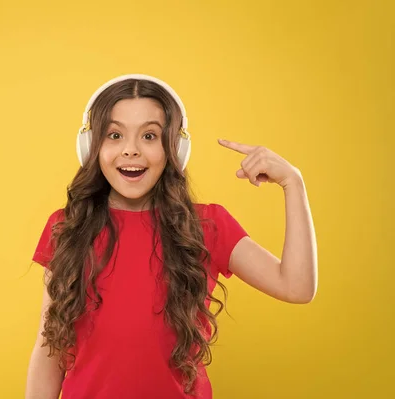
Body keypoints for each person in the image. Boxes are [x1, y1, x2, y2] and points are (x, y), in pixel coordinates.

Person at [25, 74, 317, 399]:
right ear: (91, 144)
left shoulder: (208, 226)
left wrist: (294, 183)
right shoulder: (67, 226)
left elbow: (297, 287)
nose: (131, 150)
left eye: (149, 135)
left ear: (175, 147)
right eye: (115, 134)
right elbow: (48, 348)